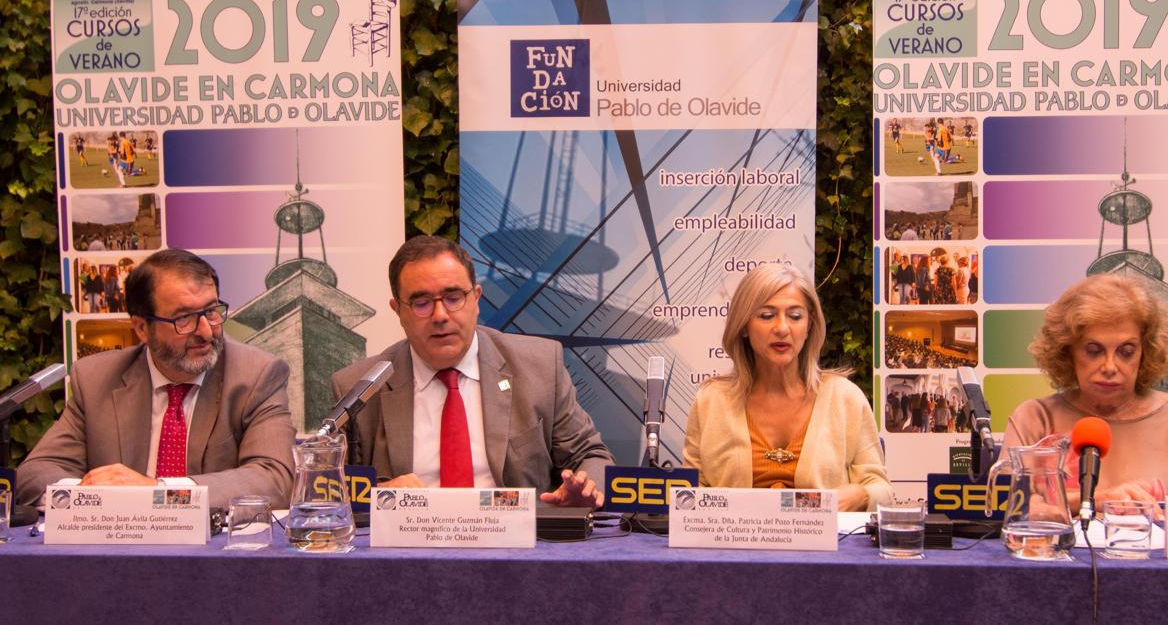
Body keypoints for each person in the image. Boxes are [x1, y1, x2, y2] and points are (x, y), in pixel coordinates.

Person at [331, 236, 613, 508]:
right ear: (398, 311)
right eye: (422, 303)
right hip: (408, 549)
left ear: (476, 299)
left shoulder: (539, 367)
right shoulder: (360, 389)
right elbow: (330, 490)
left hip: (519, 546)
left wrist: (585, 487)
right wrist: (374, 499)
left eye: (454, 298)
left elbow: (591, 456)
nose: (440, 315)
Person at [17, 249, 296, 509]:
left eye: (211, 311)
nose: (206, 331)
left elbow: (273, 480)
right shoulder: (96, 380)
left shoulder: (256, 375)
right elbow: (34, 474)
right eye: (184, 318)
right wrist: (94, 498)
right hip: (118, 547)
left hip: (213, 552)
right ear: (141, 328)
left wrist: (158, 493)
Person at [1002, 274, 1168, 510]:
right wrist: (1098, 500)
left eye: (1126, 351)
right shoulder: (1035, 419)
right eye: (1094, 350)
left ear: (1145, 352)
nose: (1110, 366)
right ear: (1067, 351)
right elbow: (1006, 509)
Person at [682, 263, 891, 510]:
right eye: (766, 315)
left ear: (809, 325)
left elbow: (882, 489)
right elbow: (689, 491)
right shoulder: (712, 400)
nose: (782, 328)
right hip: (734, 546)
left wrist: (860, 494)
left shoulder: (845, 397)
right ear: (744, 326)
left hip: (823, 546)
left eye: (795, 316)